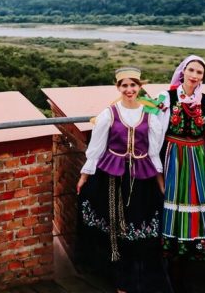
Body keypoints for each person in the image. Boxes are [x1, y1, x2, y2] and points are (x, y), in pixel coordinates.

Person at [77, 66, 171, 293]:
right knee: (114, 225)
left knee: (137, 225)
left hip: (141, 178)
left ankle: (136, 277)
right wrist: (84, 176)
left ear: (140, 87)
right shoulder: (109, 114)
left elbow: (153, 152)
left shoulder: (150, 115)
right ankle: (118, 277)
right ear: (118, 87)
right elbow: (96, 149)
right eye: (125, 85)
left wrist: (160, 182)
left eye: (133, 85)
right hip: (112, 177)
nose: (129, 89)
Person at [158, 55, 205, 291]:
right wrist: (155, 166)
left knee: (196, 202)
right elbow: (157, 132)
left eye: (199, 72)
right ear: (183, 72)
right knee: (173, 201)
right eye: (191, 70)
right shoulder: (167, 97)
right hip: (173, 156)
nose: (194, 75)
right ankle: (171, 264)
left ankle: (190, 263)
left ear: (203, 77)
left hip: (198, 159)